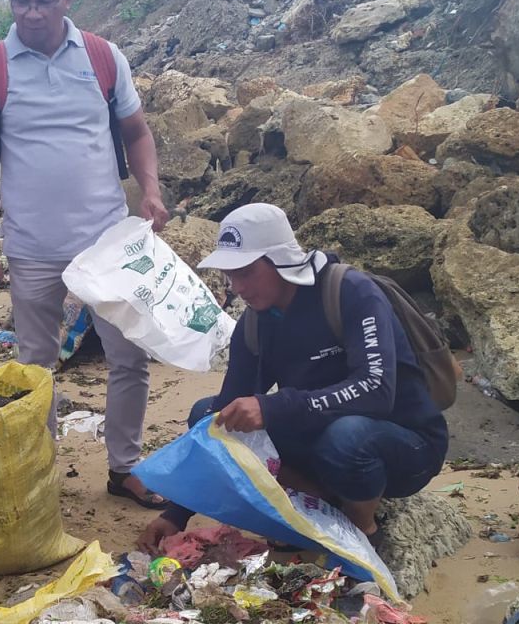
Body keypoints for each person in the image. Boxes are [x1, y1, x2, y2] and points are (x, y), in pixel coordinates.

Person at [0, 0, 170, 509]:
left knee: (130, 356)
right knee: (35, 365)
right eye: (21, 1)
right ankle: (42, 471)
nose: (31, 13)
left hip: (108, 242)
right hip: (31, 247)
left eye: (44, 1)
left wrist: (150, 190)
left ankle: (124, 467)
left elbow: (137, 133)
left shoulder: (103, 57)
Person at [138, 203, 448, 552]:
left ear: (279, 259)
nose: (237, 287)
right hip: (319, 443)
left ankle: (363, 534)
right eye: (231, 275)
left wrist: (273, 407)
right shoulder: (255, 323)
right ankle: (325, 502)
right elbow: (222, 422)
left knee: (346, 438)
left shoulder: (351, 293)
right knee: (208, 415)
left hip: (405, 444)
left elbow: (376, 390)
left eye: (247, 272)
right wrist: (176, 513)